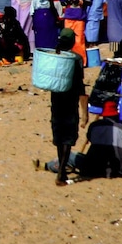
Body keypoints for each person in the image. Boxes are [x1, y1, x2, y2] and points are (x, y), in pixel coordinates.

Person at [47, 29, 87, 186]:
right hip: (70, 102)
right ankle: (61, 173)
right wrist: (85, 113)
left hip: (56, 101)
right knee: (68, 139)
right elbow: (80, 85)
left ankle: (62, 172)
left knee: (59, 137)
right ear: (71, 42)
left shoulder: (54, 57)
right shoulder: (75, 59)